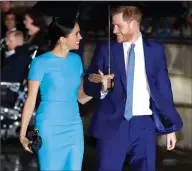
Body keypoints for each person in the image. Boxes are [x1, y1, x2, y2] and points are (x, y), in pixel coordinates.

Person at [84, 5, 183, 171]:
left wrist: (169, 128)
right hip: (111, 125)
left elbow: (163, 89)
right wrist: (101, 85)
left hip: (144, 125)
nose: (114, 30)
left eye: (118, 25)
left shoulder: (155, 50)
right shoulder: (105, 48)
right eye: (113, 25)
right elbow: (89, 81)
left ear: (133, 23)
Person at [19, 18, 111, 171]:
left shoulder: (76, 60)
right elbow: (30, 100)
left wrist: (103, 88)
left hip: (74, 126)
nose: (80, 37)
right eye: (77, 34)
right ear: (62, 39)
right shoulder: (40, 62)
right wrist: (22, 135)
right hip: (49, 127)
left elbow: (80, 97)